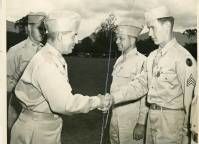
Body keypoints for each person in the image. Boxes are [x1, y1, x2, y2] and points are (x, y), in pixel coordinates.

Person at [10, 10, 111, 144]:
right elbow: (65, 104)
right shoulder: (47, 62)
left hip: (45, 126)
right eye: (73, 35)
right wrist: (98, 101)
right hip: (37, 131)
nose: (76, 40)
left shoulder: (53, 57)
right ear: (60, 36)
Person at [107, 6, 196, 144]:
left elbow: (192, 102)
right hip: (151, 120)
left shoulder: (183, 58)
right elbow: (140, 84)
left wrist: (189, 135)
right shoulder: (152, 57)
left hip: (171, 124)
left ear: (166, 26)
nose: (149, 33)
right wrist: (113, 98)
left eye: (152, 28)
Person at [109, 18, 148, 144]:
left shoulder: (142, 61)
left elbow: (145, 96)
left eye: (121, 38)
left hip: (131, 122)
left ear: (132, 40)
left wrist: (141, 124)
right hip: (114, 118)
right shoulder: (119, 60)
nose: (117, 41)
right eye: (117, 38)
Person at [7, 12, 46, 132]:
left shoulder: (46, 51)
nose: (43, 32)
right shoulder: (15, 51)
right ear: (29, 28)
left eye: (45, 29)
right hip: (19, 111)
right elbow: (5, 86)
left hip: (41, 114)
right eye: (40, 28)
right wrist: (18, 75)